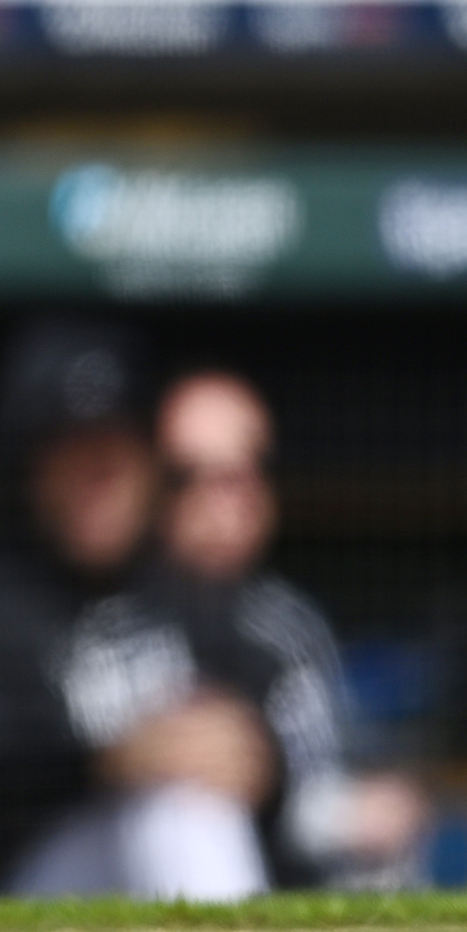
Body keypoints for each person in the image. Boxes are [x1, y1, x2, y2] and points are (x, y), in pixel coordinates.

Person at [0, 320, 270, 900]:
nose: (101, 475)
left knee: (183, 805)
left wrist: (259, 761)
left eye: (118, 449)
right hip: (5, 902)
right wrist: (103, 763)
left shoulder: (197, 599)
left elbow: (277, 783)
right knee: (170, 809)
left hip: (168, 884)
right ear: (31, 467)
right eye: (76, 452)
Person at [148, 372, 428, 889]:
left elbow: (330, 788)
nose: (234, 497)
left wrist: (355, 811)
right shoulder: (109, 614)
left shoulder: (286, 624)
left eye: (251, 470)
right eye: (198, 475)